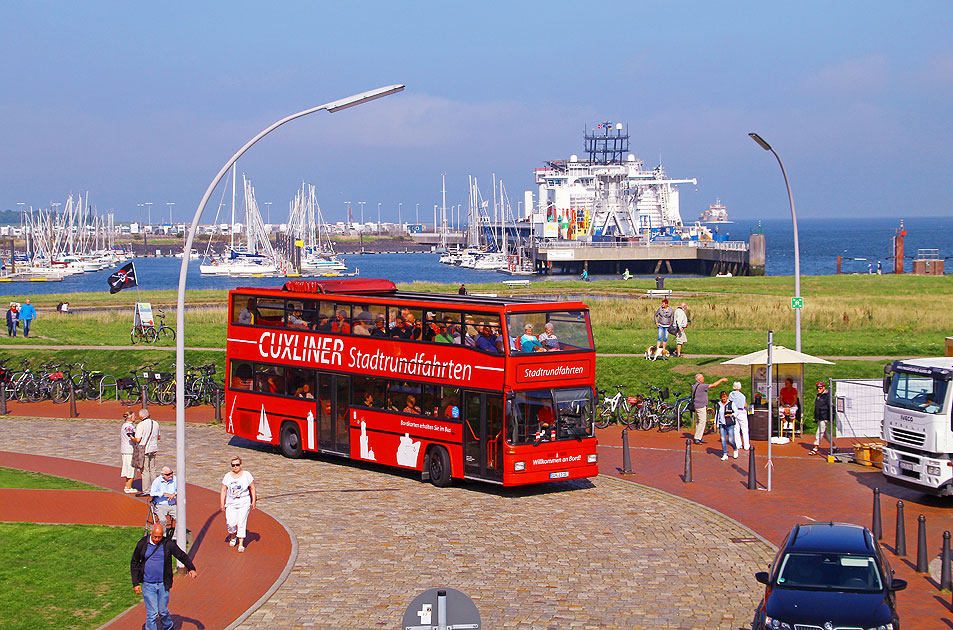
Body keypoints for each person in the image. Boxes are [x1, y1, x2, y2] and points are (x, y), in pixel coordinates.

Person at [131, 523, 197, 630]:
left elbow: (181, 555)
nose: (157, 539)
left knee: (162, 611)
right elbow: (134, 562)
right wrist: (135, 583)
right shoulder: (143, 544)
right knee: (152, 613)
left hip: (163, 584)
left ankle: (168, 626)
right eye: (155, 536)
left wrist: (191, 568)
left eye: (159, 537)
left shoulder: (167, 544)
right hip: (148, 585)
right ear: (151, 533)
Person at [220, 457, 256, 553]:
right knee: (231, 523)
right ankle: (233, 536)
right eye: (233, 465)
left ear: (241, 465)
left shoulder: (246, 475)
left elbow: (252, 487)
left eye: (237, 465)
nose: (235, 467)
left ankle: (241, 543)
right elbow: (223, 490)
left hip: (243, 502)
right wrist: (222, 503)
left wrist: (253, 501)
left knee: (241, 522)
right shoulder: (228, 476)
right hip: (231, 503)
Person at [691, 373, 727, 444]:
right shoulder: (701, 386)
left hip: (698, 405)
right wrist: (722, 380)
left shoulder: (695, 386)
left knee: (699, 422)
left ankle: (698, 437)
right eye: (703, 377)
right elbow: (714, 385)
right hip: (701, 406)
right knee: (702, 422)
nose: (704, 378)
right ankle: (697, 438)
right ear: (699, 379)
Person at [132, 409, 160, 495]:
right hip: (154, 448)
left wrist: (131, 437)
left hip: (144, 449)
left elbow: (138, 439)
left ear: (141, 416)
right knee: (153, 469)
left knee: (145, 470)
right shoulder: (155, 423)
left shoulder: (141, 425)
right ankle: (155, 488)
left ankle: (146, 490)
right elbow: (158, 437)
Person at [150, 467, 178, 534]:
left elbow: (180, 490)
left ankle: (176, 537)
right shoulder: (157, 481)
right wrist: (164, 494)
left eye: (171, 473)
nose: (171, 475)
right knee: (163, 520)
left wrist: (174, 495)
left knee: (181, 519)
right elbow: (152, 493)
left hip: (172, 505)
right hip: (160, 505)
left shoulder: (175, 479)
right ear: (163, 475)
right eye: (168, 474)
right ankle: (162, 537)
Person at [810, 381, 834, 456]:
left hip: (825, 417)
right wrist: (816, 417)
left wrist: (831, 418)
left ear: (824, 388)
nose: (818, 389)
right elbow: (817, 407)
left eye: (820, 388)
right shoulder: (819, 395)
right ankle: (834, 447)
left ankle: (815, 448)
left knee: (819, 432)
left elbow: (831, 407)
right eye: (817, 388)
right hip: (820, 417)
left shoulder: (827, 396)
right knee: (825, 434)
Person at [715, 391, 739, 460]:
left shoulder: (731, 403)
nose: (723, 398)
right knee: (723, 439)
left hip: (730, 424)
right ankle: (725, 453)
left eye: (725, 396)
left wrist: (731, 415)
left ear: (727, 397)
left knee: (730, 440)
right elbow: (717, 414)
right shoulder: (719, 404)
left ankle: (735, 449)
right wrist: (715, 423)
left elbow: (736, 412)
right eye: (722, 397)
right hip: (722, 424)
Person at [728, 381, 750, 451]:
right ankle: (746, 445)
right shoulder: (742, 395)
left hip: (734, 413)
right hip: (742, 412)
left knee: (736, 429)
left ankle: (738, 444)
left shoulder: (731, 394)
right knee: (744, 429)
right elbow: (745, 405)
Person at [120, 411, 138, 493]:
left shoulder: (126, 425)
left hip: (127, 449)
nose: (135, 417)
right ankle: (128, 487)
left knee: (128, 468)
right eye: (134, 416)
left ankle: (127, 485)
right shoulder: (128, 427)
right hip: (129, 450)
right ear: (130, 417)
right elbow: (133, 436)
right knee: (130, 468)